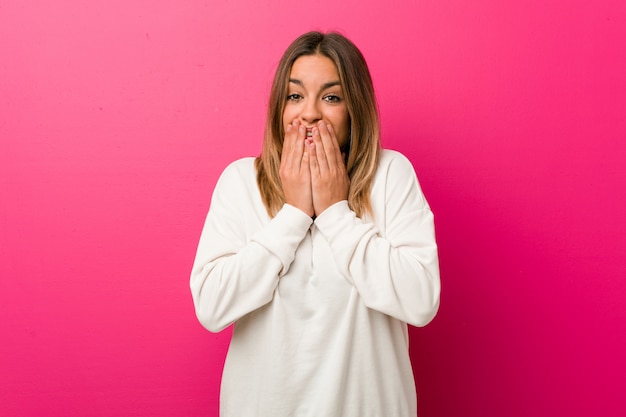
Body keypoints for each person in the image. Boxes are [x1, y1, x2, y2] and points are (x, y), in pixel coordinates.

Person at [190, 31, 440, 417]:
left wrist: (335, 212)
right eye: (295, 96)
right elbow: (211, 305)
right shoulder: (240, 181)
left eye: (331, 97)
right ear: (279, 107)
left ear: (355, 109)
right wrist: (293, 214)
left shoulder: (391, 174)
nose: (309, 113)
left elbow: (421, 300)